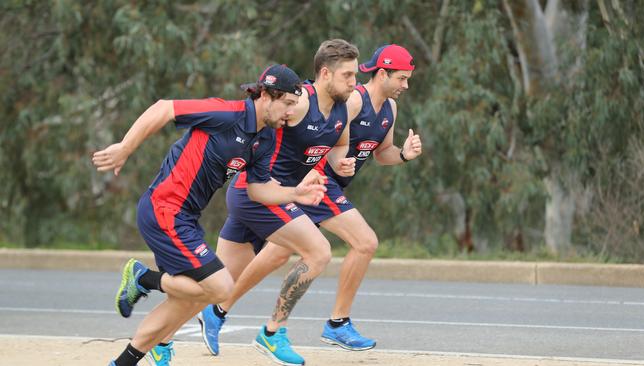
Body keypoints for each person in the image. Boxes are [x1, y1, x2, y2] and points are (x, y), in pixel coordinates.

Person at [92, 64, 326, 366]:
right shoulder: (225, 114)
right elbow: (164, 108)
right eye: (288, 104)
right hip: (165, 208)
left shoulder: (264, 138)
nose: (291, 114)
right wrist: (125, 147)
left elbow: (258, 190)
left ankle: (123, 362)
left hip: (185, 218)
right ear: (267, 95)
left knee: (187, 300)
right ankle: (144, 278)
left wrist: (295, 193)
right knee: (220, 287)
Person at [200, 44, 422, 358]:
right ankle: (331, 324)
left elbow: (359, 148)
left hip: (301, 184)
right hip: (307, 184)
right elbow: (275, 118)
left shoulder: (381, 109)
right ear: (383, 73)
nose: (406, 85)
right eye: (402, 78)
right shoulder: (348, 99)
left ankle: (218, 311)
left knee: (275, 257)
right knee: (361, 243)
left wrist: (400, 155)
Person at [198, 39, 360, 366]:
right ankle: (273, 333)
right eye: (347, 75)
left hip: (272, 195)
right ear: (325, 73)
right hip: (256, 191)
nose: (354, 83)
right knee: (318, 252)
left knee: (215, 281)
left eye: (355, 75)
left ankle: (164, 317)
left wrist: (343, 162)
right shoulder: (299, 103)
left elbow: (338, 146)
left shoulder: (343, 107)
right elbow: (256, 119)